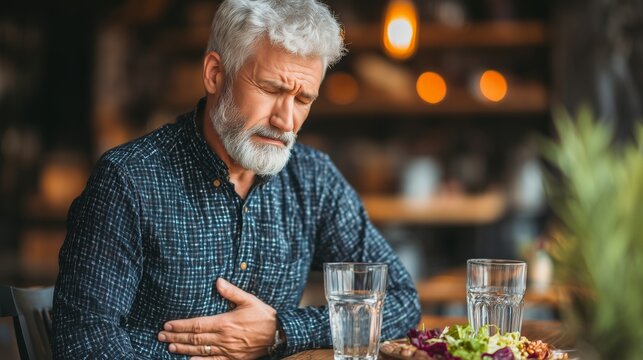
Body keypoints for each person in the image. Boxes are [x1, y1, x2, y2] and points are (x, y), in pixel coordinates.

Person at [52, 0, 421, 358]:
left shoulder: (313, 179)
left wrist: (281, 331)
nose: (285, 119)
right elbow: (83, 341)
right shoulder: (128, 179)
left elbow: (402, 300)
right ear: (215, 73)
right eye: (271, 89)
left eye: (303, 99)